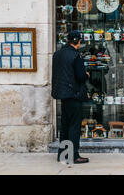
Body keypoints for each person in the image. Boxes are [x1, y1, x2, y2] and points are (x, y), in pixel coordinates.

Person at [51, 30, 90, 164]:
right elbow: (80, 76)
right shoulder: (75, 56)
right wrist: (87, 75)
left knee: (65, 126)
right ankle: (74, 155)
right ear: (78, 42)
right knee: (74, 126)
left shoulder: (57, 54)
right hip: (74, 94)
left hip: (63, 94)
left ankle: (63, 154)